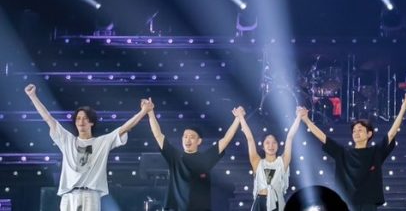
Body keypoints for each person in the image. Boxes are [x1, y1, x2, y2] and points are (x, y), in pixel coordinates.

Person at [24, 84, 152, 211]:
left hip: (90, 195)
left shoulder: (102, 142)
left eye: (85, 118)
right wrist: (33, 96)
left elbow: (125, 128)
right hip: (68, 195)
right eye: (78, 118)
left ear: (91, 122)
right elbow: (48, 118)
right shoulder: (67, 140)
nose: (81, 121)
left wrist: (143, 112)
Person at [299, 99, 406, 211]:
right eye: (354, 131)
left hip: (368, 203)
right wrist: (307, 120)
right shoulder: (343, 152)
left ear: (369, 134)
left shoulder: (375, 152)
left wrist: (403, 108)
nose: (356, 133)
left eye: (360, 130)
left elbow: (392, 133)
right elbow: (323, 137)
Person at [146, 99, 244, 211]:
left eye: (192, 137)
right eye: (185, 136)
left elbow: (225, 140)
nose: (188, 140)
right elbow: (158, 135)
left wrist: (238, 119)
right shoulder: (175, 156)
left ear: (199, 141)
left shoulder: (205, 158)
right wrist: (150, 112)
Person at [237, 106, 303, 211]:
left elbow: (290, 137)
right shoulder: (257, 162)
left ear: (278, 145)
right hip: (260, 204)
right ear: (263, 146)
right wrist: (241, 117)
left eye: (274, 143)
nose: (271, 146)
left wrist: (299, 116)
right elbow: (250, 139)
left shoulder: (282, 162)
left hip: (277, 203)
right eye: (267, 143)